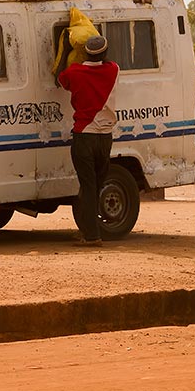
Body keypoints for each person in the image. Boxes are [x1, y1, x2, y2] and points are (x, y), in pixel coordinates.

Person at [58, 35, 119, 247]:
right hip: (105, 137)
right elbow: (107, 61)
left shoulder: (74, 72)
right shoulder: (113, 70)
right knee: (96, 185)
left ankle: (92, 235)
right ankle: (88, 230)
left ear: (84, 53)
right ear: (104, 54)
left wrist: (66, 50)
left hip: (84, 135)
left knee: (88, 185)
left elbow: (60, 78)